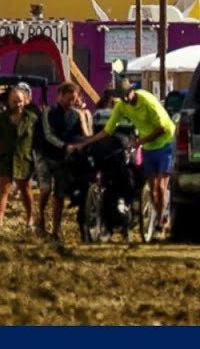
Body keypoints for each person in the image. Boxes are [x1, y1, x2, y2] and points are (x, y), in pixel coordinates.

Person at [71, 79, 175, 236]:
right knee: (153, 188)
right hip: (148, 146)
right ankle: (158, 218)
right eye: (122, 97)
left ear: (132, 90)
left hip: (165, 142)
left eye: (127, 95)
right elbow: (107, 130)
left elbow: (163, 127)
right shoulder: (121, 106)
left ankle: (161, 220)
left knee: (161, 187)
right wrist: (86, 143)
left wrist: (139, 142)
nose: (125, 99)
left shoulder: (148, 101)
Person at [33, 82, 89, 239]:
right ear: (60, 96)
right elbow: (48, 135)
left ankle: (55, 230)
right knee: (45, 190)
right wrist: (65, 146)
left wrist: (85, 120)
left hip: (63, 160)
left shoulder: (77, 115)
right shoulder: (47, 113)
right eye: (68, 98)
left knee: (59, 194)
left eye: (74, 99)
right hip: (44, 154)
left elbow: (85, 135)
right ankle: (41, 216)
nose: (71, 102)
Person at [0, 86, 36, 229]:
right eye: (14, 101)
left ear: (25, 101)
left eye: (20, 101)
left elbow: (38, 140)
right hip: (5, 157)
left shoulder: (32, 119)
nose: (17, 104)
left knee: (25, 189)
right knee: (4, 189)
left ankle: (30, 218)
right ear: (8, 102)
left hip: (24, 158)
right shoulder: (0, 119)